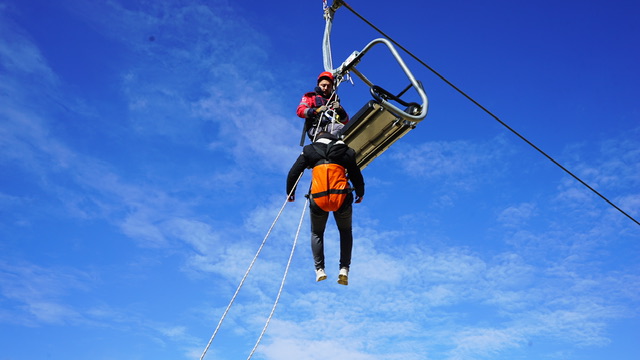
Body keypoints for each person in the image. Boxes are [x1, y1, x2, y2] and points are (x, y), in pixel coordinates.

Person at [286, 131, 365, 285]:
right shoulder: (346, 151)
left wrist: (290, 192)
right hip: (341, 198)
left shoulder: (309, 150)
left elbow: (293, 172)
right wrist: (360, 193)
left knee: (317, 233)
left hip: (318, 199)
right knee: (345, 231)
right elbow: (355, 174)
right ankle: (344, 269)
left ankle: (319, 269)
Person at [297, 71, 349, 141]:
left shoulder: (333, 100)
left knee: (345, 129)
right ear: (318, 85)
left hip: (330, 127)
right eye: (323, 85)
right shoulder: (310, 97)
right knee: (338, 131)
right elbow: (300, 111)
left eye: (328, 86)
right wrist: (316, 111)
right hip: (315, 129)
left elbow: (345, 121)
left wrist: (340, 110)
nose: (325, 88)